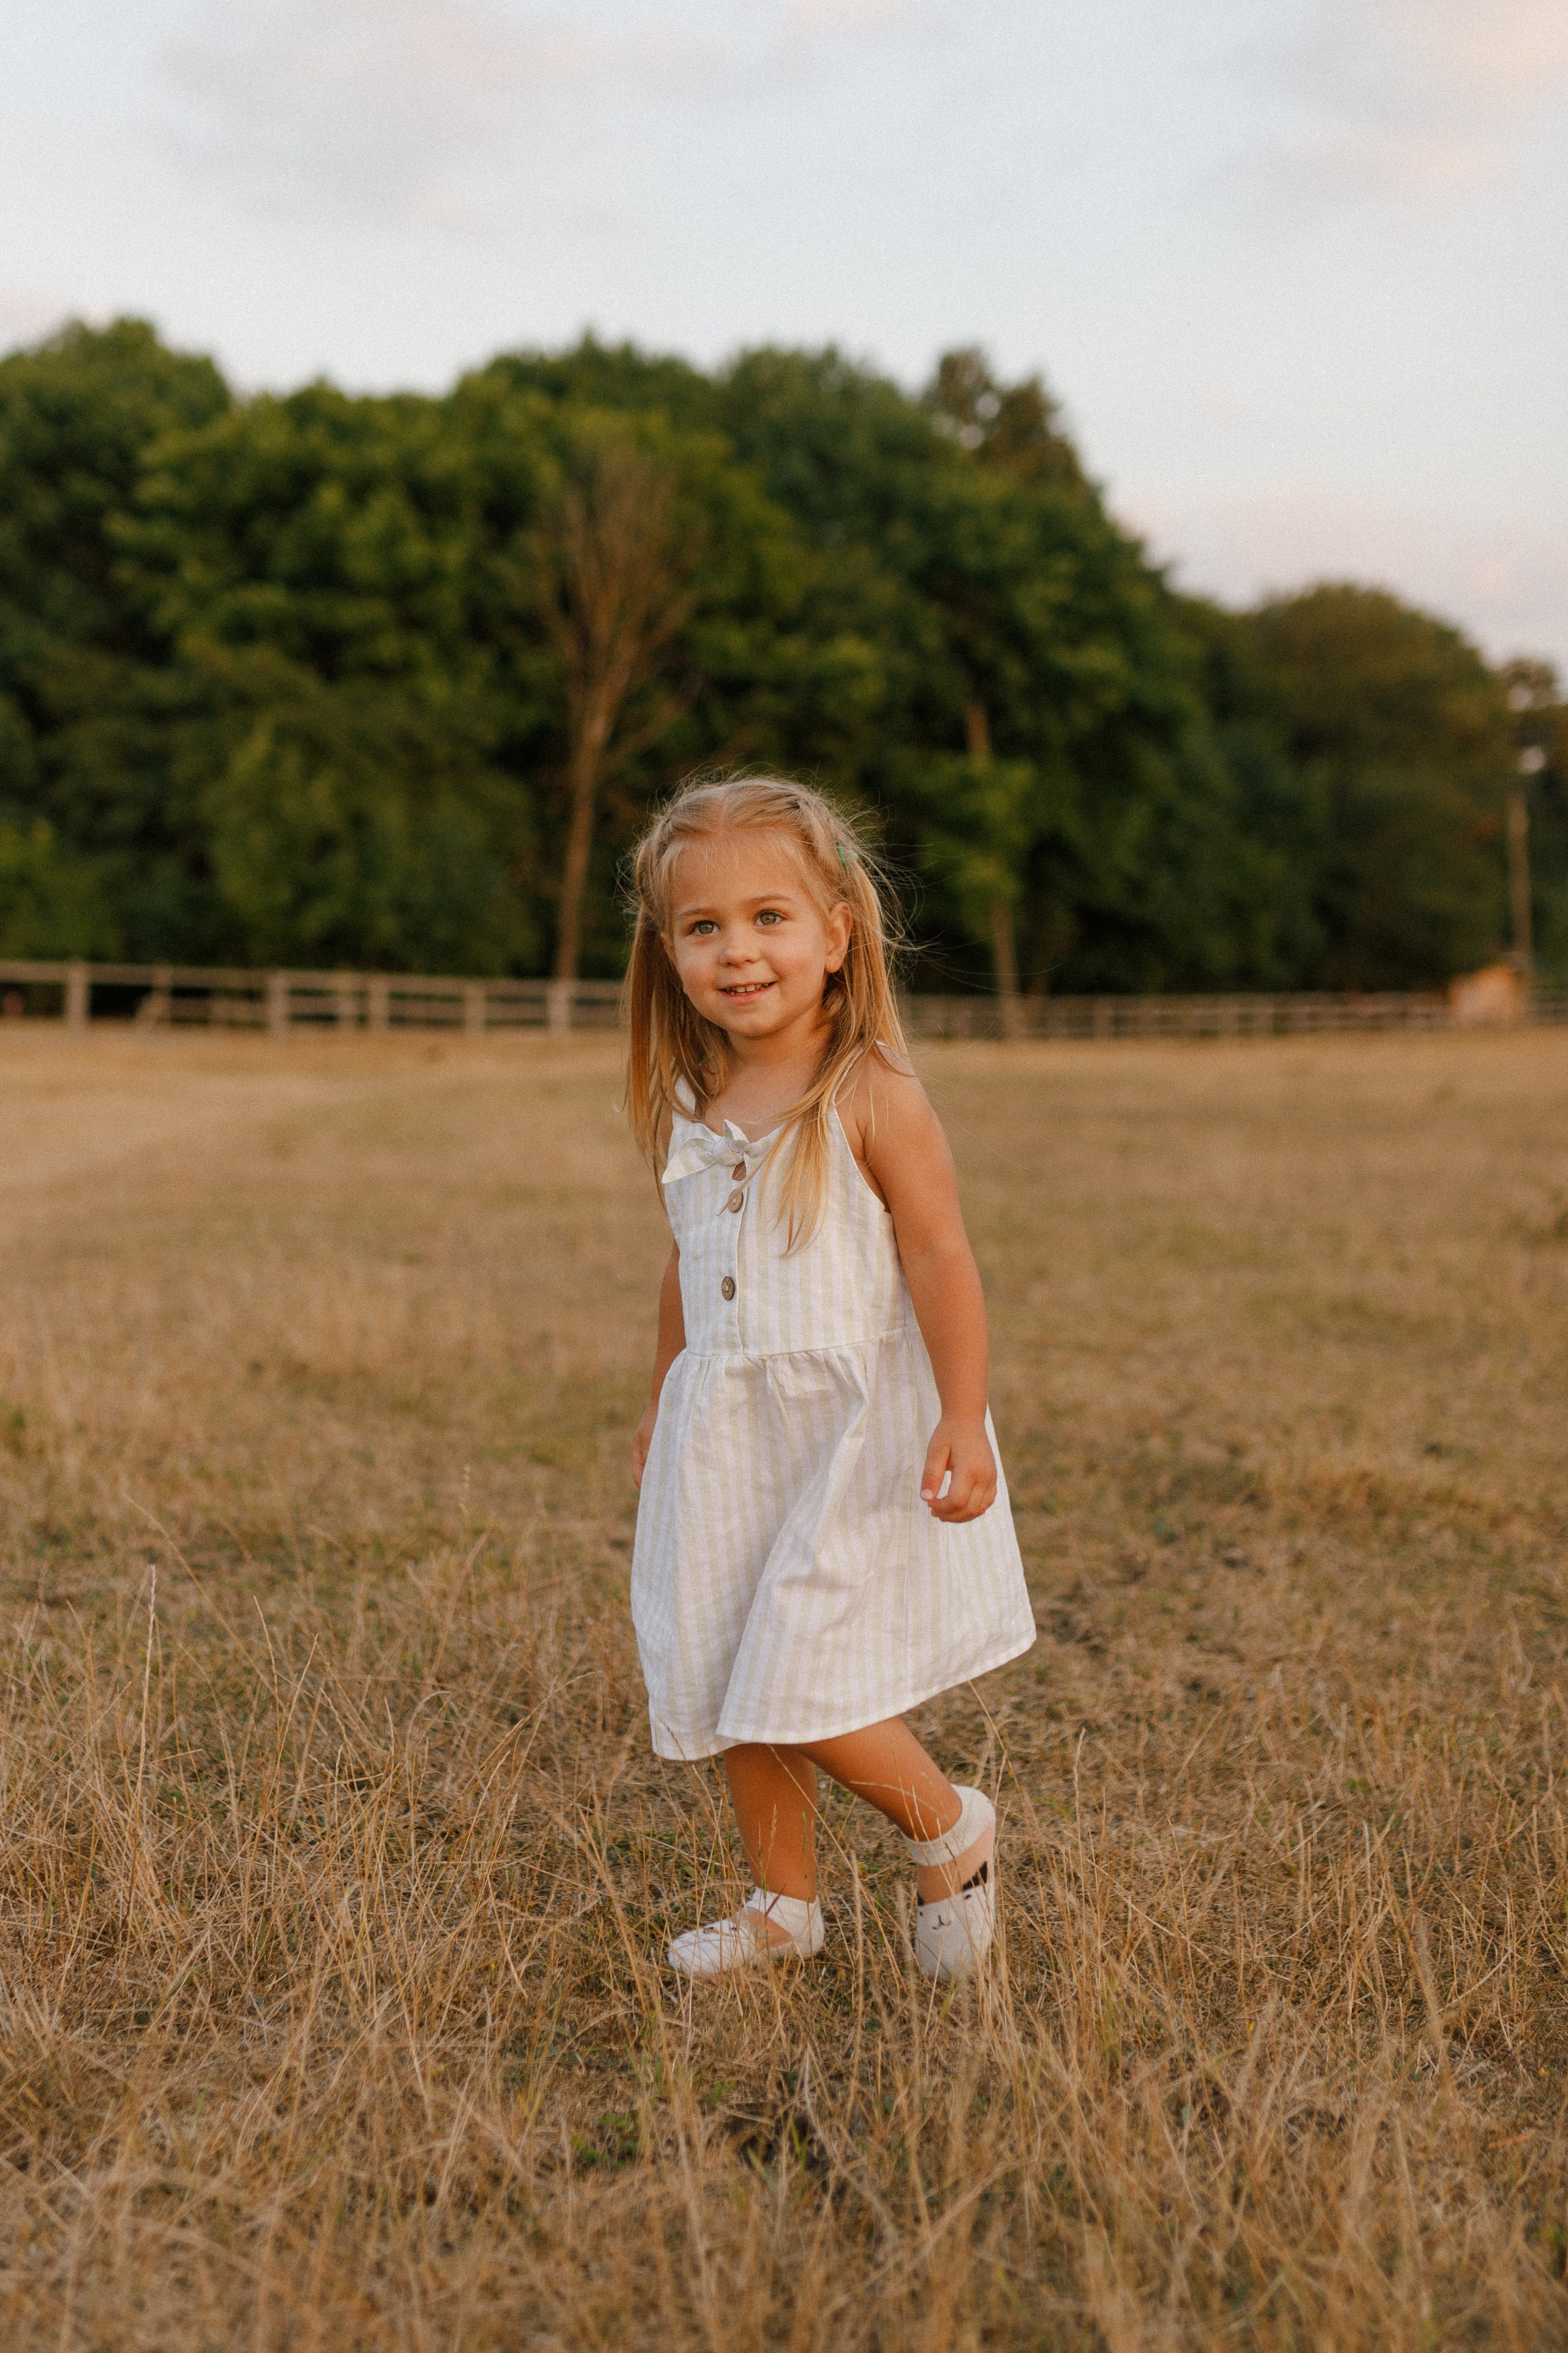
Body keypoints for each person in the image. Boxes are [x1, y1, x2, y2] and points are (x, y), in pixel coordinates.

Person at [625, 777, 1036, 1981]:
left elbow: (940, 1253)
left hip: (845, 1436)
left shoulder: (870, 1090)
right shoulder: (695, 1100)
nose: (737, 950)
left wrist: (962, 1414)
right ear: (667, 950)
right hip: (728, 1428)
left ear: (835, 932)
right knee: (725, 1666)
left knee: (796, 1675)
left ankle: (948, 1829)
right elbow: (686, 1268)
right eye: (703, 928)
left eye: (768, 918)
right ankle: (780, 1905)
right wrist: (662, 1397)